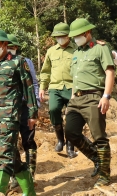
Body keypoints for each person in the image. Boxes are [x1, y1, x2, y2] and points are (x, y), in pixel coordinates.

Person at [0, 29, 38, 196]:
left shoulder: (18, 62)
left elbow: (29, 88)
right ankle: (30, 192)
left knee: (4, 157)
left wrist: (33, 114)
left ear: (5, 45)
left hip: (10, 116)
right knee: (12, 157)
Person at [64, 18, 115, 188]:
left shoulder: (101, 48)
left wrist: (106, 96)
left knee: (99, 137)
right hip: (76, 99)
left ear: (87, 33)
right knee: (70, 132)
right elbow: (75, 78)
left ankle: (105, 176)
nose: (75, 39)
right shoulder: (77, 52)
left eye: (78, 35)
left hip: (94, 97)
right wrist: (72, 97)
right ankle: (96, 158)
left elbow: (109, 71)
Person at [39, 23, 78, 158]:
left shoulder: (77, 50)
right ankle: (60, 139)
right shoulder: (51, 51)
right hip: (55, 87)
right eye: (57, 36)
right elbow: (45, 71)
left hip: (72, 87)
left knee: (72, 116)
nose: (60, 38)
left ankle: (70, 145)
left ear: (69, 36)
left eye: (63, 36)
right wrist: (42, 87)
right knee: (53, 110)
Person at [6, 34, 40, 187]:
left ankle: (31, 173)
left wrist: (35, 105)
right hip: (8, 110)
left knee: (28, 140)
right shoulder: (0, 63)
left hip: (25, 108)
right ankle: (16, 175)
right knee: (10, 144)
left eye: (13, 47)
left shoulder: (26, 62)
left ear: (17, 48)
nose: (10, 50)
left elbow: (33, 83)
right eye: (8, 47)